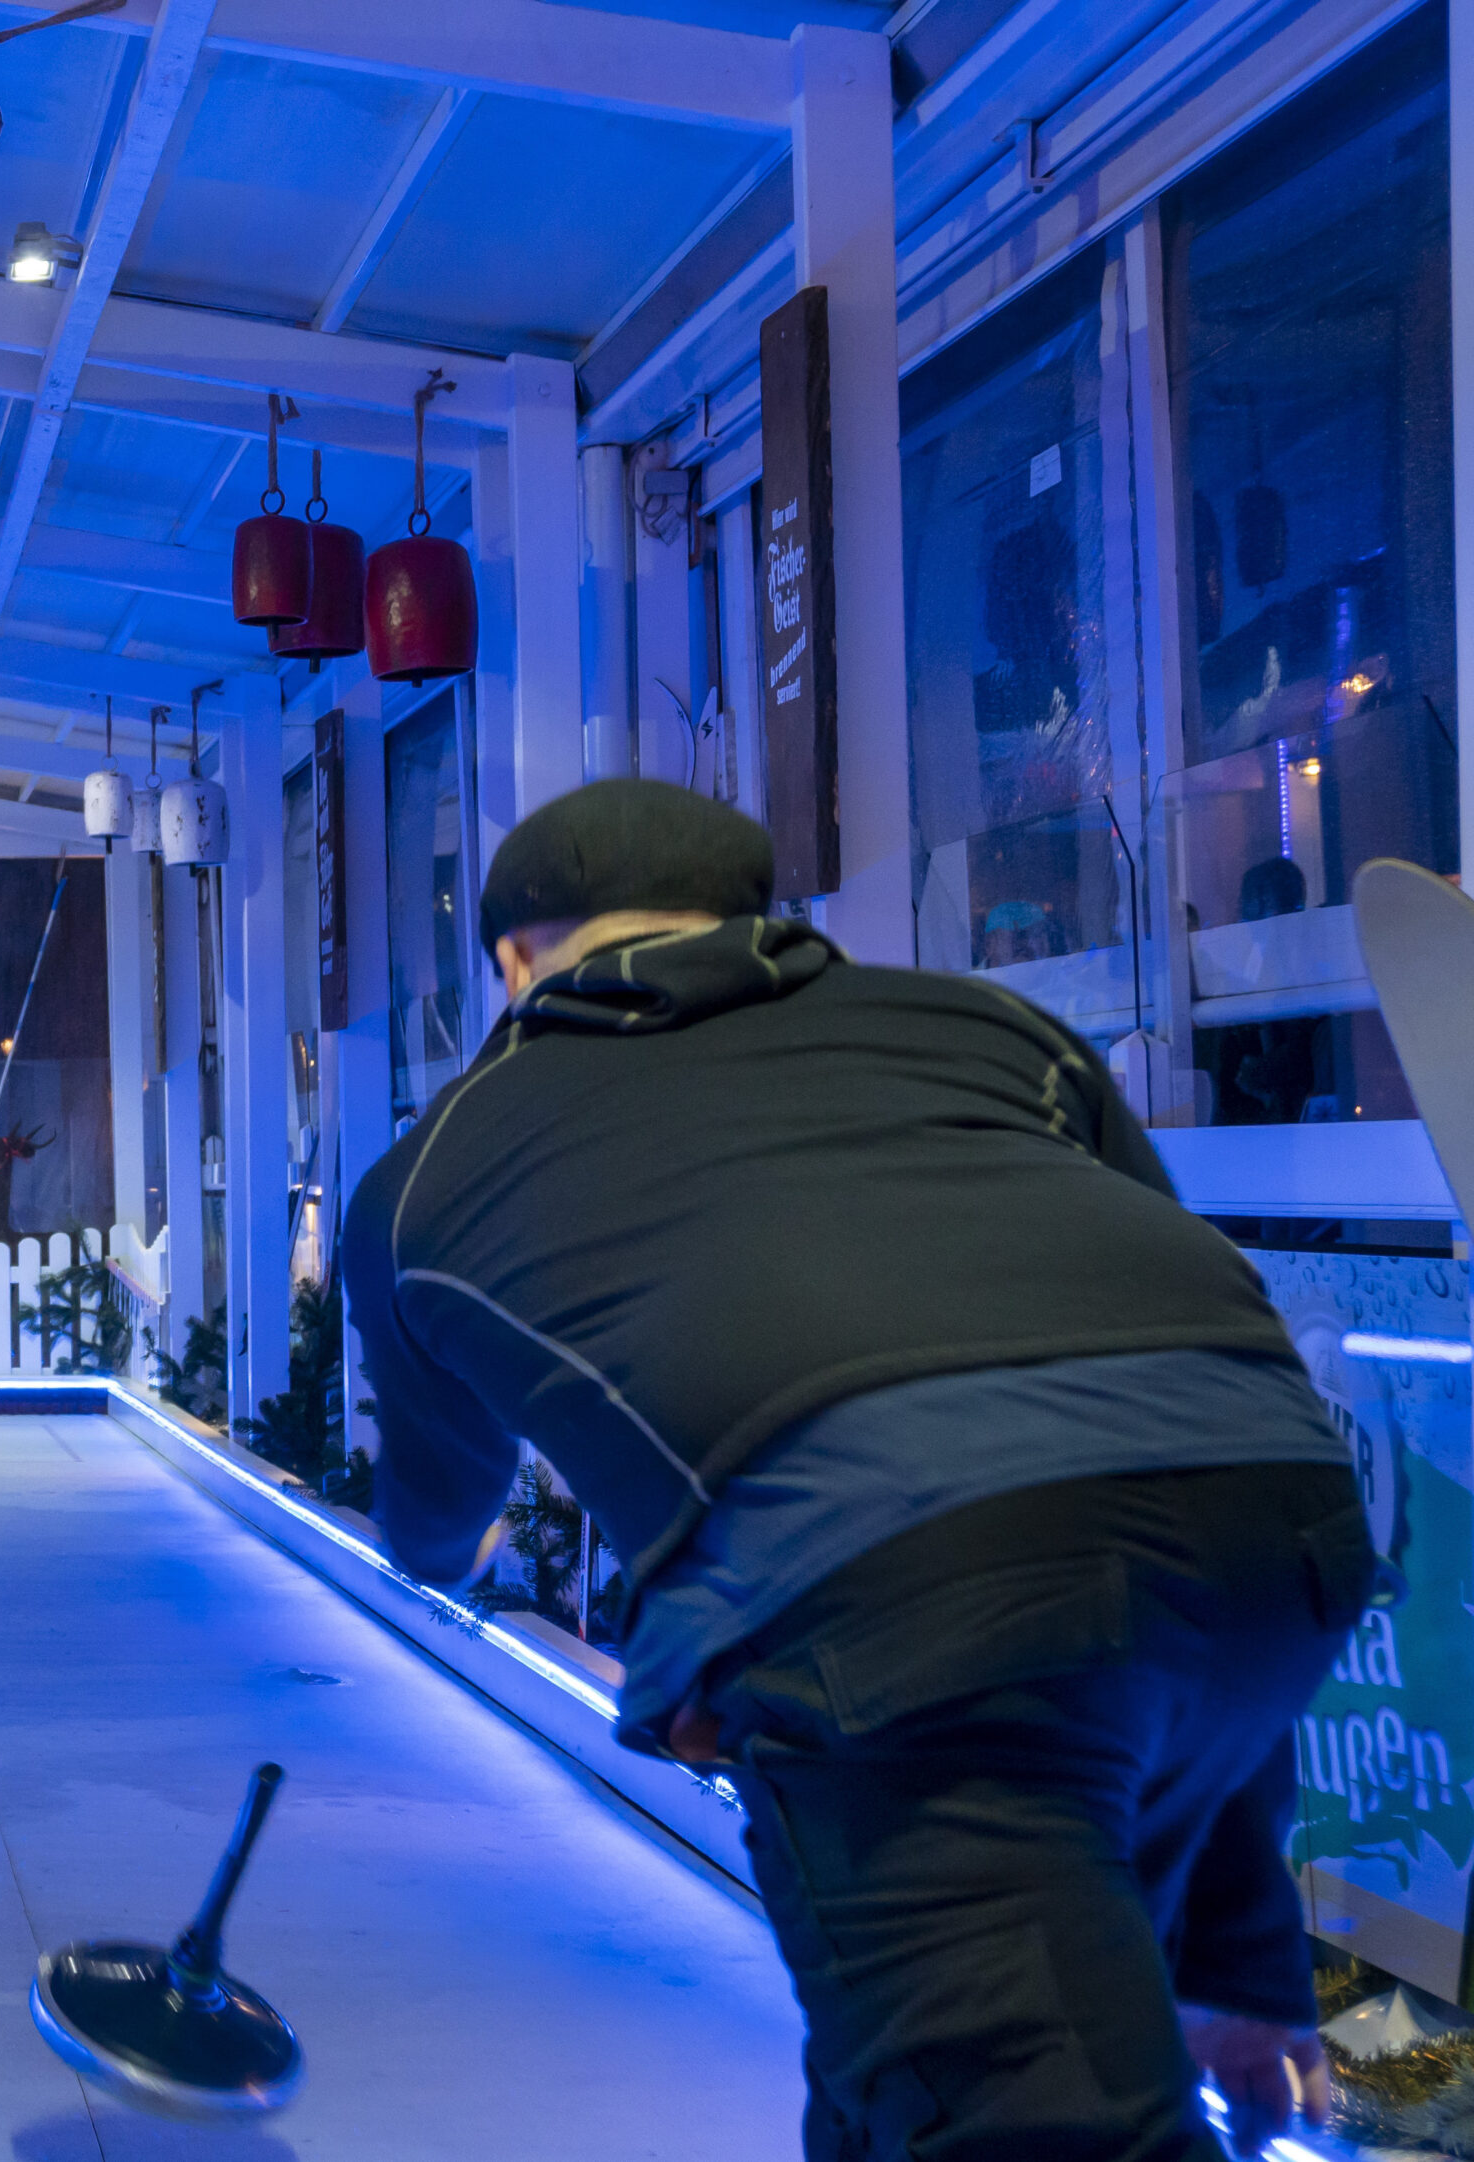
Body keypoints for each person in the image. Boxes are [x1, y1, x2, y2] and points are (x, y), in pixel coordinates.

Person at [340, 780, 1372, 2162]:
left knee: (989, 2127)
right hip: (1285, 1530)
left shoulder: (432, 1168)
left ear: (513, 961)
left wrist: (462, 1548)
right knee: (913, 2101)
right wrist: (1239, 1966)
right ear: (757, 919)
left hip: (918, 1618)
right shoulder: (996, 1031)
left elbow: (434, 1520)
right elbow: (1156, 1413)